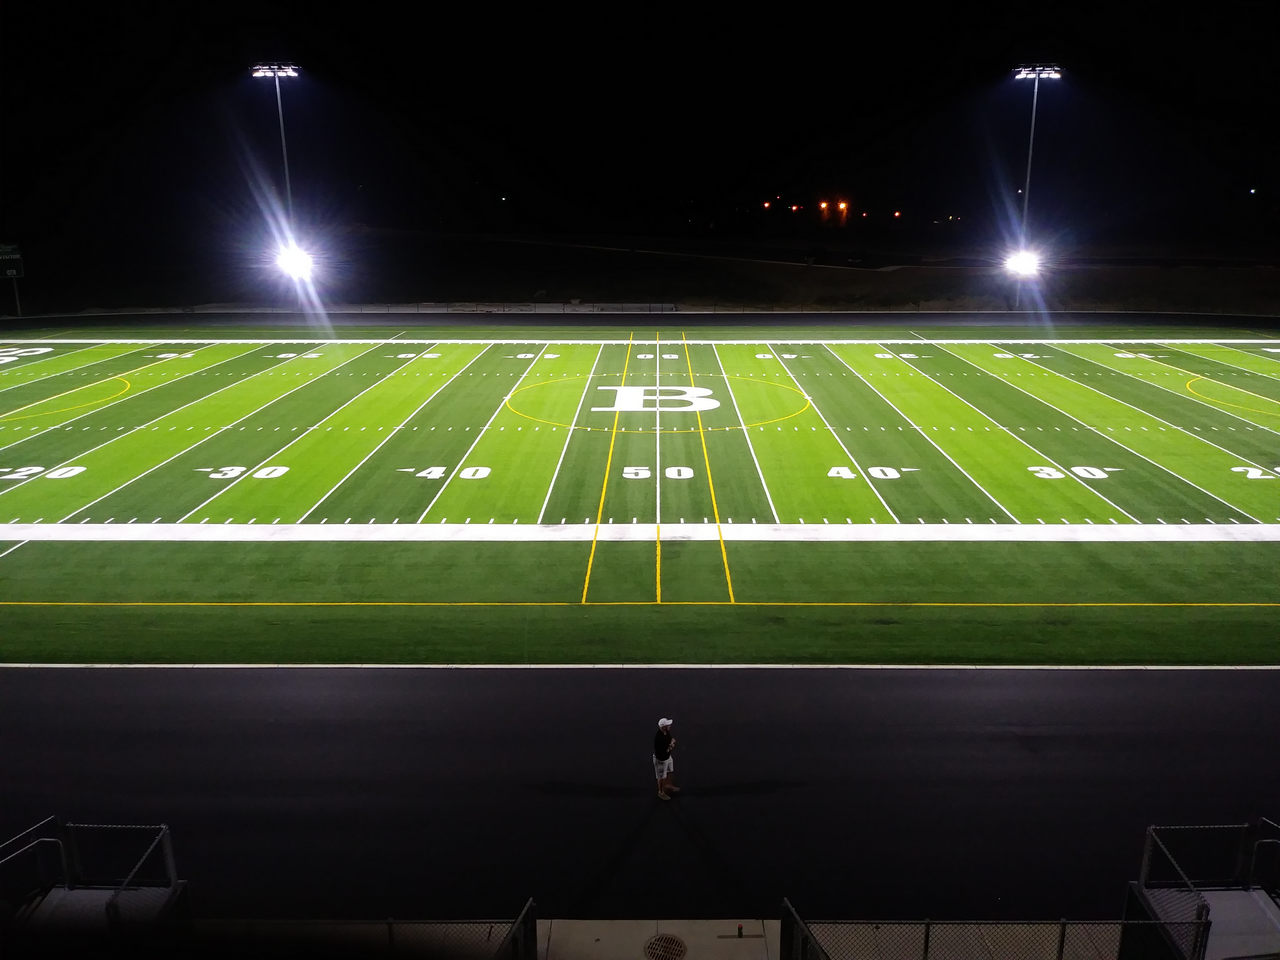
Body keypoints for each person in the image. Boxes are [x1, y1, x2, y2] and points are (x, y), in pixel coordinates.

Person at [653, 718, 679, 800]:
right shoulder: (659, 739)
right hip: (661, 760)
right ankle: (661, 792)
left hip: (667, 757)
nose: (670, 726)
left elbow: (670, 740)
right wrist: (671, 745)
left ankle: (668, 785)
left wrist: (671, 743)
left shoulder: (666, 732)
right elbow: (665, 750)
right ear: (663, 727)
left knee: (669, 771)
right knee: (661, 777)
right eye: (668, 725)